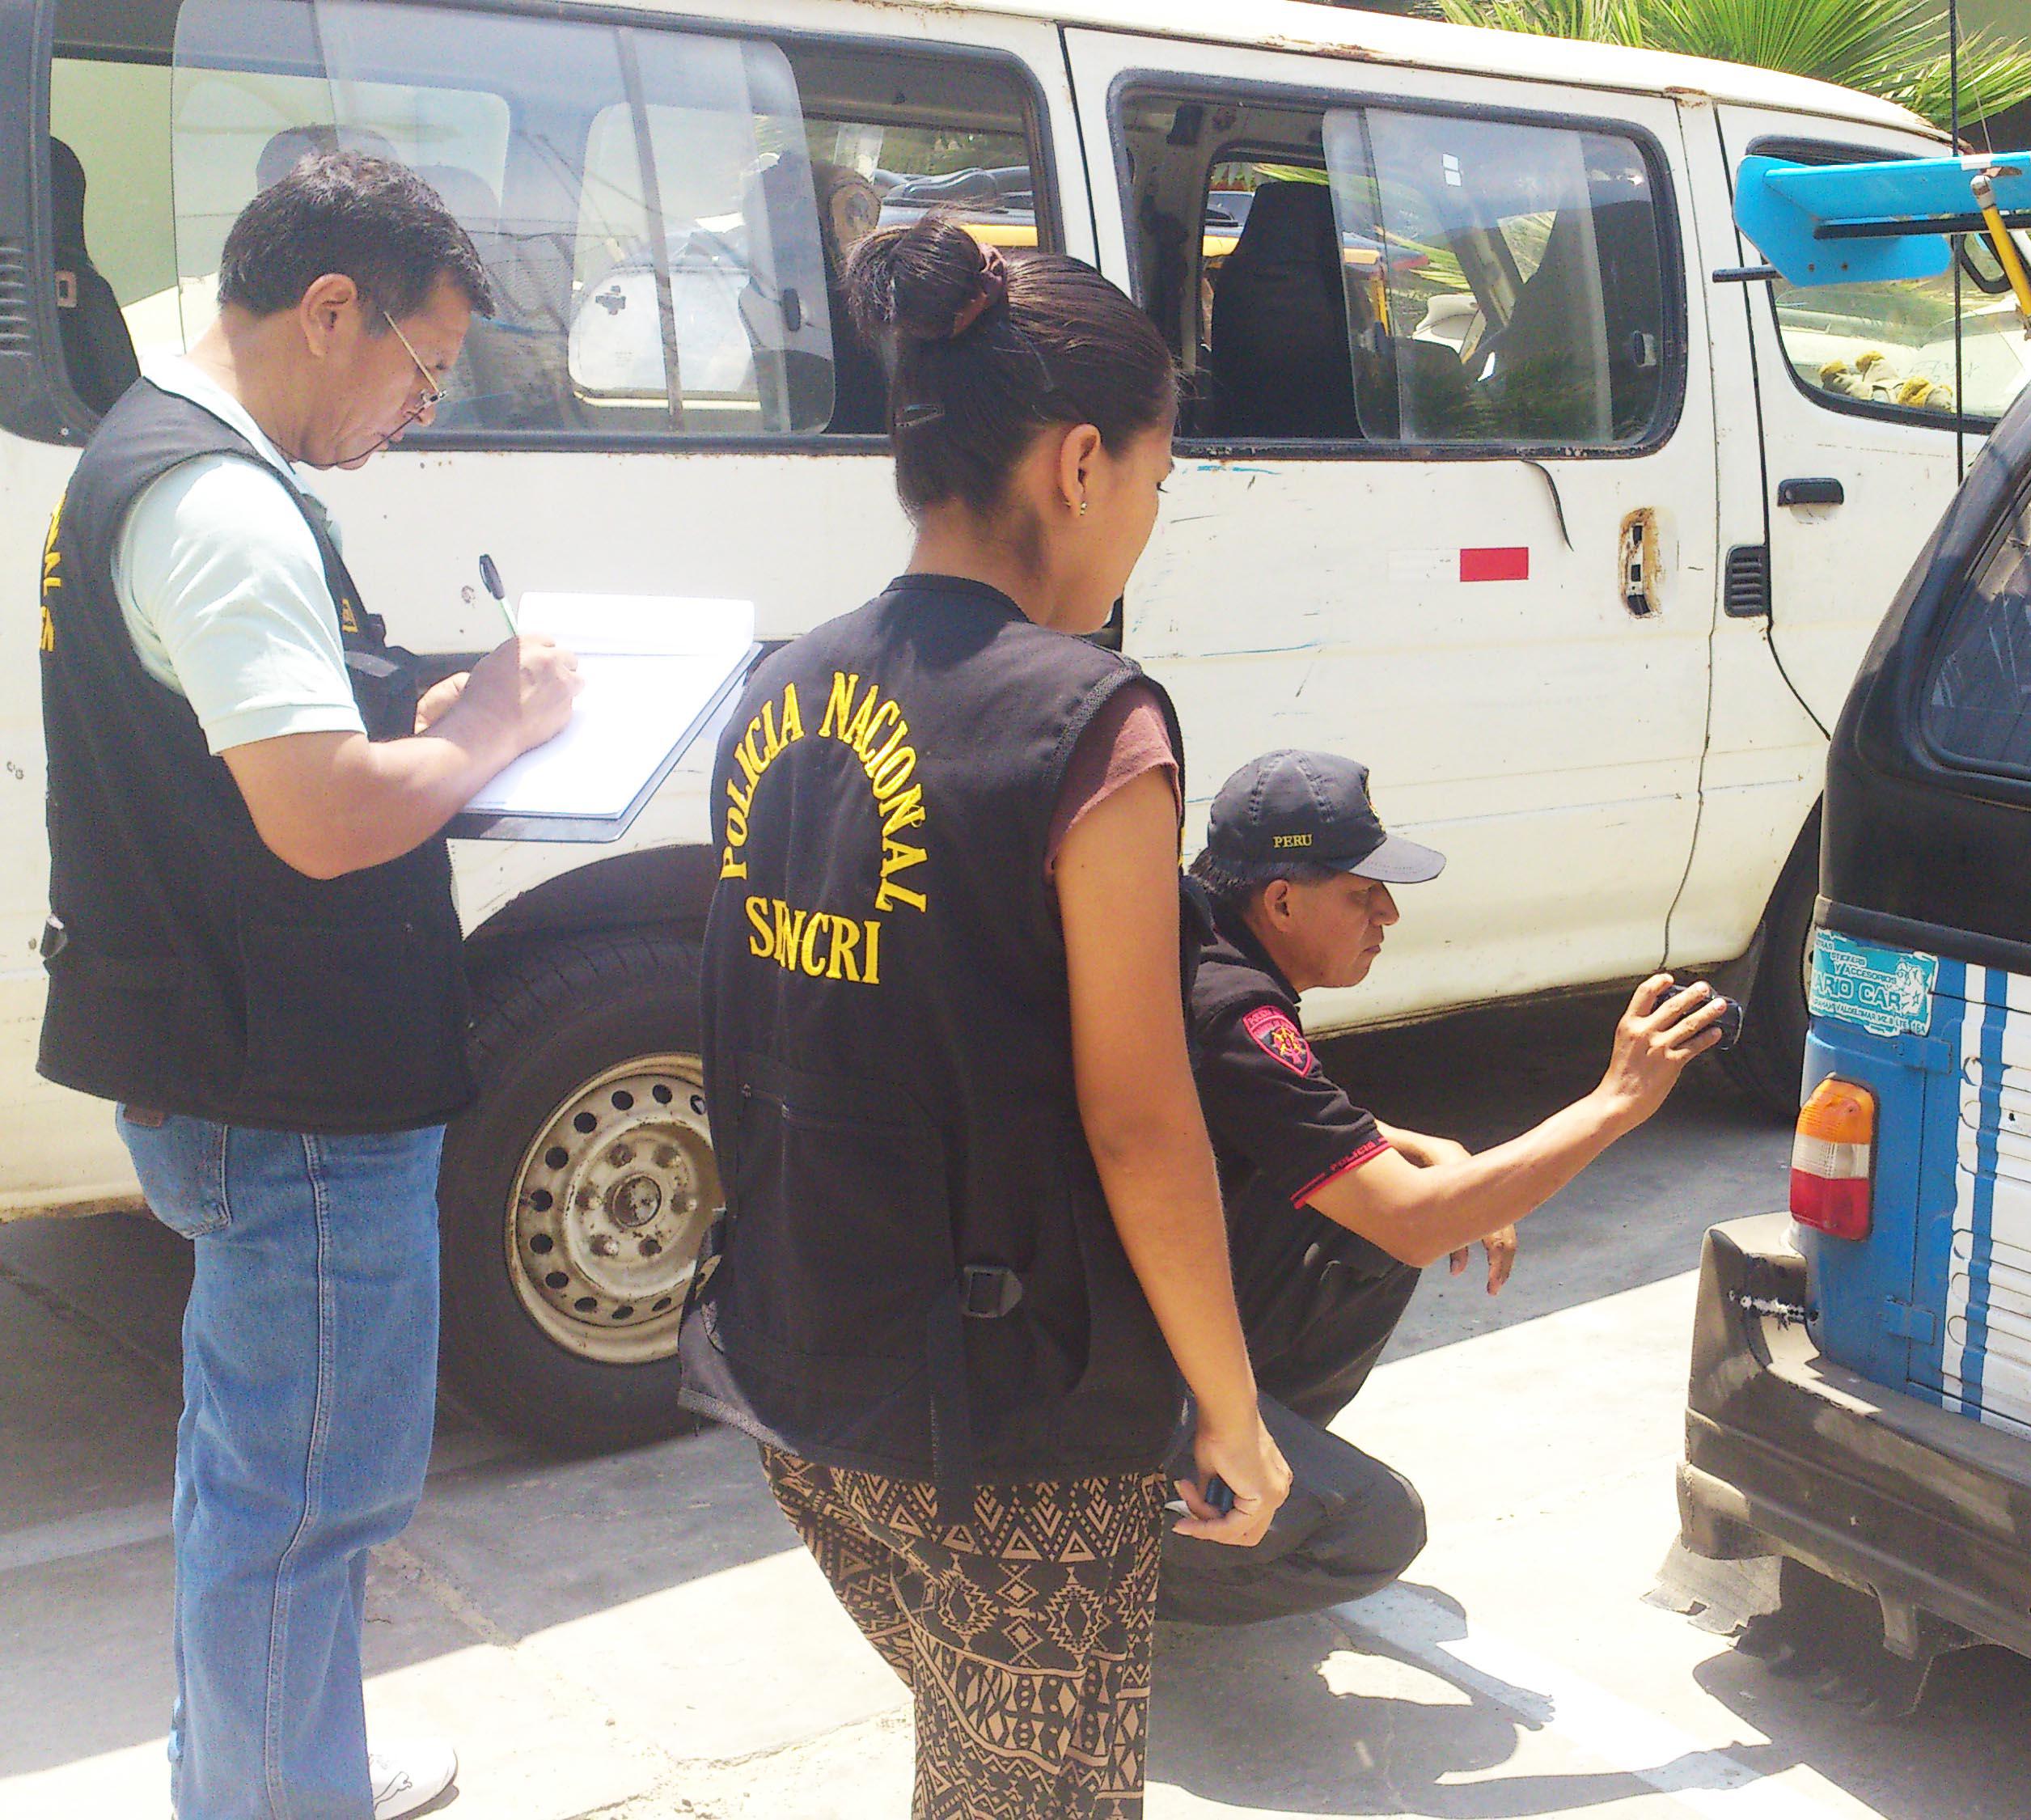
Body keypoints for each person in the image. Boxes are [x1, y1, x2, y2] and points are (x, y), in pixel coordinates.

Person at [679, 212, 1288, 1818]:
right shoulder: (1095, 724)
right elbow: (1140, 1119)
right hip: (1010, 1428)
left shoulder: (782, 685)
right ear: (1079, 465)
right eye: (1155, 487)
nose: (1144, 529)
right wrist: (1231, 1406)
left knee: (973, 1771)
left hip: (800, 1374)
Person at [35, 154, 581, 1819]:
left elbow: (270, 749)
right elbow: (323, 814)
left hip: (233, 1053)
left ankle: (270, 1764)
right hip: (295, 1097)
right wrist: (490, 731)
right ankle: (282, 1793)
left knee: (253, 1478)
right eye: (422, 365)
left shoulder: (159, 455)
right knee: (303, 1504)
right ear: (328, 307)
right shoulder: (220, 504)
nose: (424, 404)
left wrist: (417, 704)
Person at [1159, 749, 1729, 1625]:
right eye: (1360, 892)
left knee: (1368, 1230)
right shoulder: (1234, 1011)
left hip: (1101, 1322)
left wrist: (1418, 1145)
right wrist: (1617, 1102)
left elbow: (1255, 1111)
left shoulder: (1192, 945)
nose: (1388, 911)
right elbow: (1417, 1224)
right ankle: (1114, 1559)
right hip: (1088, 1381)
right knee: (1372, 1531)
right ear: (1280, 899)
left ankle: (1244, 1458)